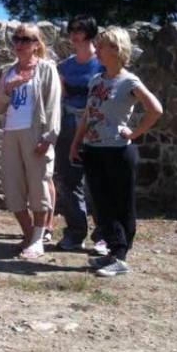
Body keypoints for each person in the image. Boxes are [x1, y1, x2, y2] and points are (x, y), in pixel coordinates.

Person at [70, 26, 163, 277]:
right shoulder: (96, 81)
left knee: (121, 204)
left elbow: (156, 110)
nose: (97, 50)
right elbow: (88, 114)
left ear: (116, 49)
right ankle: (112, 251)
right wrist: (76, 143)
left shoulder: (129, 81)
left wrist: (134, 134)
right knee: (100, 205)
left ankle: (120, 255)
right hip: (93, 149)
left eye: (102, 46)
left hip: (118, 152)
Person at [0, 23, 62, 259]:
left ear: (36, 44)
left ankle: (38, 239)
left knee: (38, 185)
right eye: (17, 38)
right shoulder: (9, 71)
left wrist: (49, 137)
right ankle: (29, 235)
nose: (20, 44)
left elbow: (53, 105)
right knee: (13, 187)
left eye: (26, 39)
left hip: (35, 132)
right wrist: (7, 89)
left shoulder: (46, 69)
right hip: (11, 133)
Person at [54, 15, 105, 254]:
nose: (75, 35)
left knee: (99, 183)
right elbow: (60, 98)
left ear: (90, 33)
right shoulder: (64, 67)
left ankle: (104, 235)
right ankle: (75, 233)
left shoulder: (103, 64)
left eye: (80, 30)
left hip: (96, 130)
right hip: (68, 127)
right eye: (72, 30)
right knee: (69, 181)